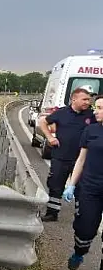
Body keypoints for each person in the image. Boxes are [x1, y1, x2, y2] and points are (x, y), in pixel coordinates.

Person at [61, 94, 103, 270]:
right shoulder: (91, 130)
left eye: (100, 108)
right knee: (85, 229)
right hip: (90, 189)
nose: (95, 111)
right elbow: (81, 160)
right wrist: (71, 185)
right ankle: (79, 252)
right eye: (95, 107)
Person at [37, 86, 94, 222]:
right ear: (74, 99)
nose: (87, 102)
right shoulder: (61, 113)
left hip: (81, 160)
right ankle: (52, 213)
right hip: (61, 157)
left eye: (89, 100)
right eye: (84, 99)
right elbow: (43, 122)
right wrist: (50, 137)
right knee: (55, 186)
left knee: (82, 190)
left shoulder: (91, 115)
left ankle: (82, 216)